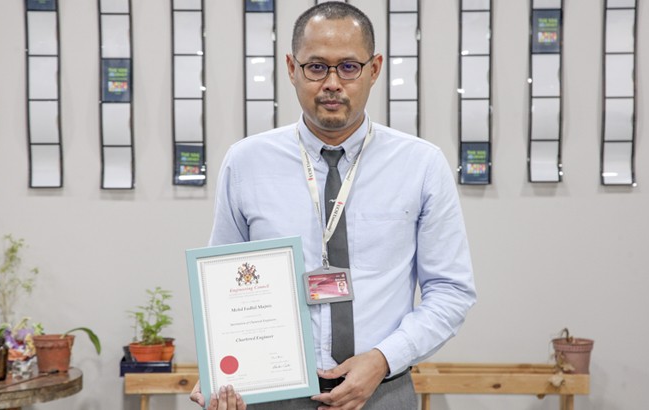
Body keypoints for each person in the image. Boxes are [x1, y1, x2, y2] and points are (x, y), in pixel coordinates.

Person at [191, 3, 476, 409]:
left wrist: (382, 359)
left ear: (374, 69)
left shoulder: (421, 165)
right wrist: (221, 372)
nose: (332, 83)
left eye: (348, 67)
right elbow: (224, 289)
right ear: (291, 68)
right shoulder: (246, 163)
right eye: (316, 67)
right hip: (275, 393)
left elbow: (450, 291)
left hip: (382, 391)